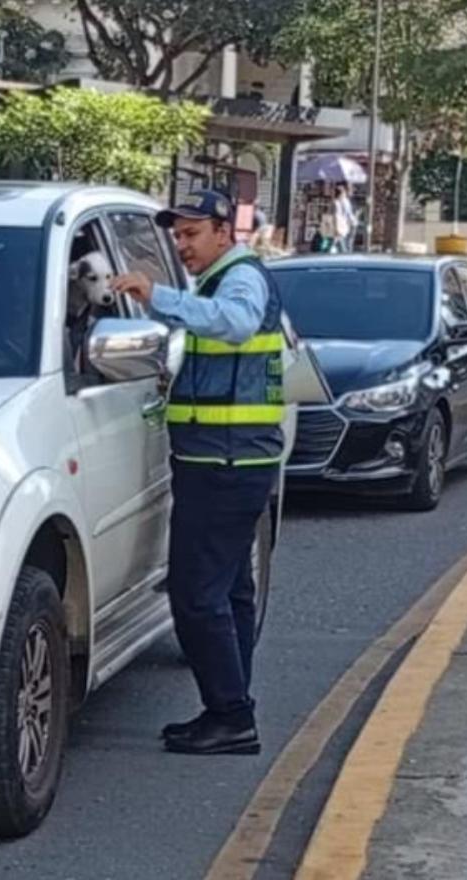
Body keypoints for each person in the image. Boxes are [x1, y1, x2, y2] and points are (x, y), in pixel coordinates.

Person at [110, 189, 284, 756]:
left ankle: (231, 716)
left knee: (195, 592)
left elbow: (235, 324)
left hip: (225, 460)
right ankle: (232, 708)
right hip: (226, 458)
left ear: (221, 232)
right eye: (177, 235)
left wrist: (155, 294)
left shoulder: (240, 279)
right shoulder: (216, 280)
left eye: (190, 234)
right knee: (230, 589)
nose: (181, 245)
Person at [333, 184, 357, 253]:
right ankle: (346, 255)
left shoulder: (340, 202)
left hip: (345, 225)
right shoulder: (342, 202)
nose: (345, 194)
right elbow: (348, 214)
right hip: (347, 225)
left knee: (345, 244)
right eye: (344, 193)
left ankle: (346, 255)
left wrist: (336, 228)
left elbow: (337, 216)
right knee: (346, 244)